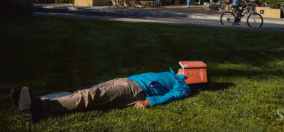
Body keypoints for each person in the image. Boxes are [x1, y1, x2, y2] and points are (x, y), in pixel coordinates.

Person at [11, 68, 191, 123]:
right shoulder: (172, 73)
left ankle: (36, 108)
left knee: (90, 96)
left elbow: (176, 94)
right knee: (82, 93)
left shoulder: (183, 84)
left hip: (135, 91)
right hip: (125, 80)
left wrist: (149, 102)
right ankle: (36, 100)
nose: (183, 66)